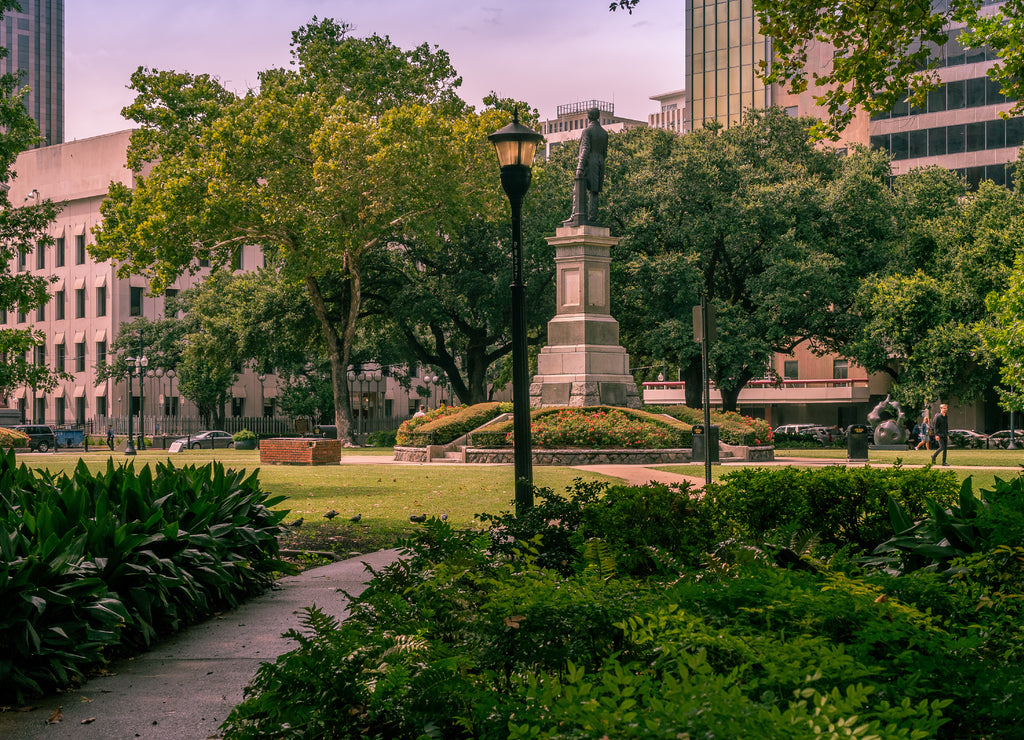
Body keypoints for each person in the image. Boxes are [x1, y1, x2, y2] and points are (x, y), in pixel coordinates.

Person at [565, 107, 609, 225]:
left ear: (588, 116)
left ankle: (575, 215)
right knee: (594, 192)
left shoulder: (587, 131)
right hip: (600, 163)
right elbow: (605, 153)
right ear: (598, 116)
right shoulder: (604, 133)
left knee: (578, 189)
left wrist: (580, 166)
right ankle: (592, 217)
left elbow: (585, 149)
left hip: (589, 163)